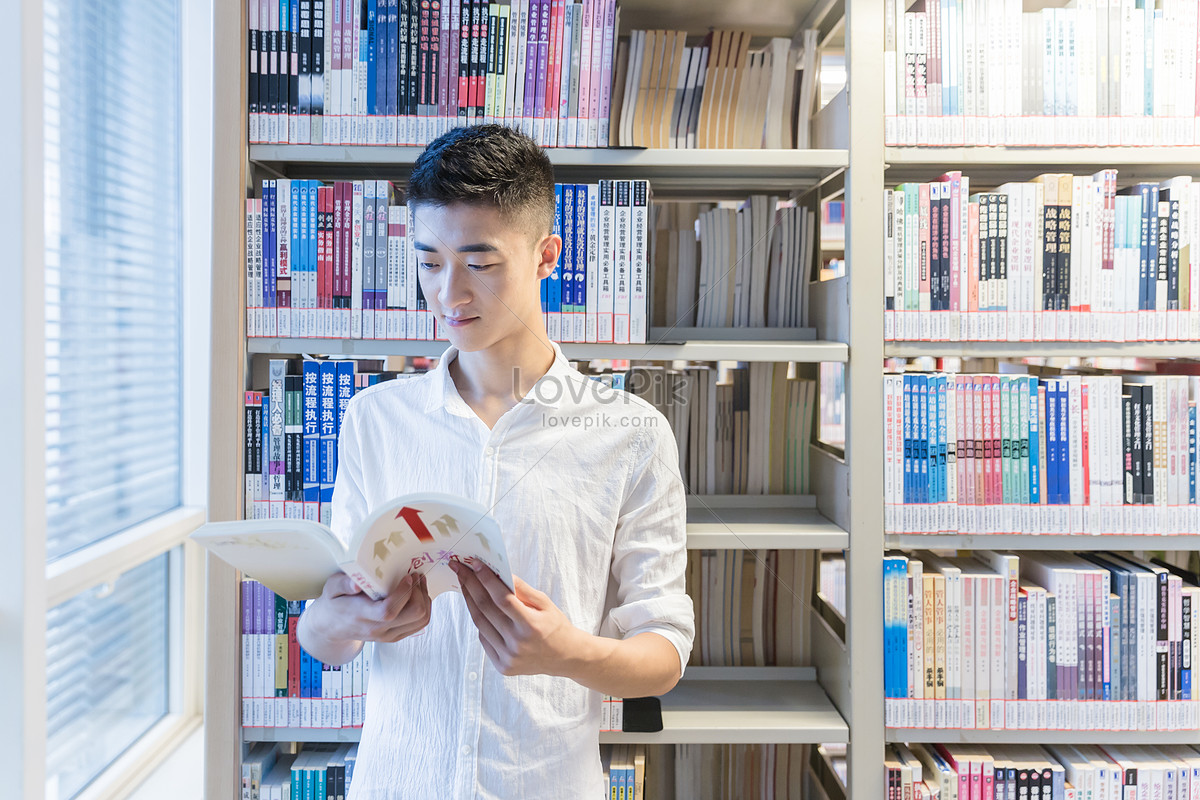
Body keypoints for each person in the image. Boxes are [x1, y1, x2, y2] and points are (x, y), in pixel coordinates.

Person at [296, 124, 694, 799]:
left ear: (545, 256)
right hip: (398, 781)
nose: (449, 294)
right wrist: (340, 622)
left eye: (479, 263)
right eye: (429, 261)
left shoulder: (631, 432)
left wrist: (571, 653)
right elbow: (323, 636)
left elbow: (663, 653)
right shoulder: (376, 419)